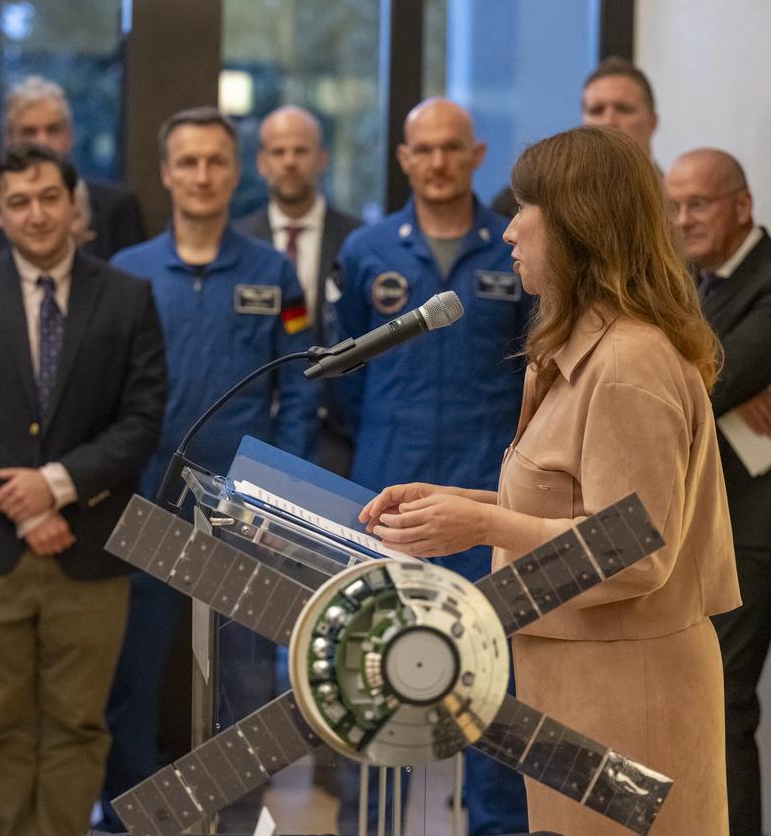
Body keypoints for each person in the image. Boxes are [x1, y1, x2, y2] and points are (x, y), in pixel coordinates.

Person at [361, 125, 741, 835]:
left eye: (524, 211)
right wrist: (453, 502)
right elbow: (568, 501)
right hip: (574, 681)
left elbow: (634, 550)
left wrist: (480, 525)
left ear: (576, 225)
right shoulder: (577, 347)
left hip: (630, 690)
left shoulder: (629, 363)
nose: (507, 232)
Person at [0, 143, 166, 836]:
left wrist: (54, 487)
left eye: (49, 197)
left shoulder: (127, 295)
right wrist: (25, 511)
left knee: (79, 723)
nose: (37, 214)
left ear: (74, 204)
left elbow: (140, 417)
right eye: (19, 202)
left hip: (90, 543)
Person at [99, 107, 318, 832]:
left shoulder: (273, 272)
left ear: (237, 170)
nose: (201, 175)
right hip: (148, 503)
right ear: (165, 173)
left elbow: (301, 382)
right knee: (134, 677)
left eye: (216, 161)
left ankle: (232, 820)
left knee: (242, 682)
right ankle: (134, 816)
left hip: (241, 511)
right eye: (186, 162)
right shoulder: (127, 273)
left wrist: (272, 489)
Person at [333, 96, 531, 834]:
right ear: (405, 158)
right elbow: (345, 374)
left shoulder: (512, 246)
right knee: (375, 682)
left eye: (454, 148)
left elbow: (531, 376)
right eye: (425, 149)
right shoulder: (367, 251)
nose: (440, 162)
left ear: (477, 156)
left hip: (488, 500)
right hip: (389, 500)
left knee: (495, 692)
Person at [665, 148, 771, 836]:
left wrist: (716, 381)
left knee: (721, 701)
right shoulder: (696, 287)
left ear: (742, 204)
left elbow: (704, 381)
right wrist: (715, 378)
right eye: (673, 207)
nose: (683, 219)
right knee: (695, 701)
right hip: (705, 522)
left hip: (757, 529)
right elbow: (698, 375)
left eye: (697, 203)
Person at [235, 104, 362, 476]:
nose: (289, 161)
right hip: (256, 431)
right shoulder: (238, 240)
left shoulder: (358, 241)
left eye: (301, 150)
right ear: (261, 162)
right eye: (278, 151)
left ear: (322, 158)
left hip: (339, 436)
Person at [0, 75, 143, 266]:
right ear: (8, 140)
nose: (43, 142)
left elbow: (129, 284)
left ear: (70, 135)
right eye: (29, 132)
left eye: (53, 130)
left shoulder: (117, 207)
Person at [491, 56, 659, 218]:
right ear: (582, 122)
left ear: (652, 121)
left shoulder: (678, 201)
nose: (609, 121)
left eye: (623, 109)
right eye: (597, 110)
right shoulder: (528, 202)